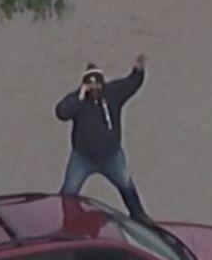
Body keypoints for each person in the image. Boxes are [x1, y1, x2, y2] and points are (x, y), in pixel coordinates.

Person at [54, 54, 152, 223]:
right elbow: (62, 113)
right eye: (90, 85)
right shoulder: (77, 101)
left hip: (112, 157)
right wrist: (80, 96)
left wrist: (138, 70)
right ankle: (64, 220)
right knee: (68, 192)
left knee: (126, 185)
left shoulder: (113, 93)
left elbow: (131, 84)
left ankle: (138, 215)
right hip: (82, 158)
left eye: (97, 84)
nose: (95, 88)